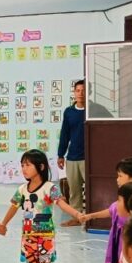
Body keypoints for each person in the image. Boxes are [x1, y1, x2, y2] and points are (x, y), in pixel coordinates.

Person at [0, 149, 83, 263]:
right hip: (28, 235)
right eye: (22, 165)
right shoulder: (22, 189)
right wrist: (3, 224)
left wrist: (77, 214)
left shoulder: (49, 187)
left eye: (28, 165)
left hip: (45, 236)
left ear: (41, 167)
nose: (24, 168)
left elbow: (61, 204)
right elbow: (13, 207)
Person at [57, 79, 87, 225]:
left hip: (89, 158)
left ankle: (92, 218)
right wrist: (60, 154)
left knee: (92, 189)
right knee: (74, 191)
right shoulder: (69, 112)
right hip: (72, 157)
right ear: (74, 93)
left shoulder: (93, 111)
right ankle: (76, 218)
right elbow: (65, 134)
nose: (81, 93)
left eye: (83, 90)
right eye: (78, 90)